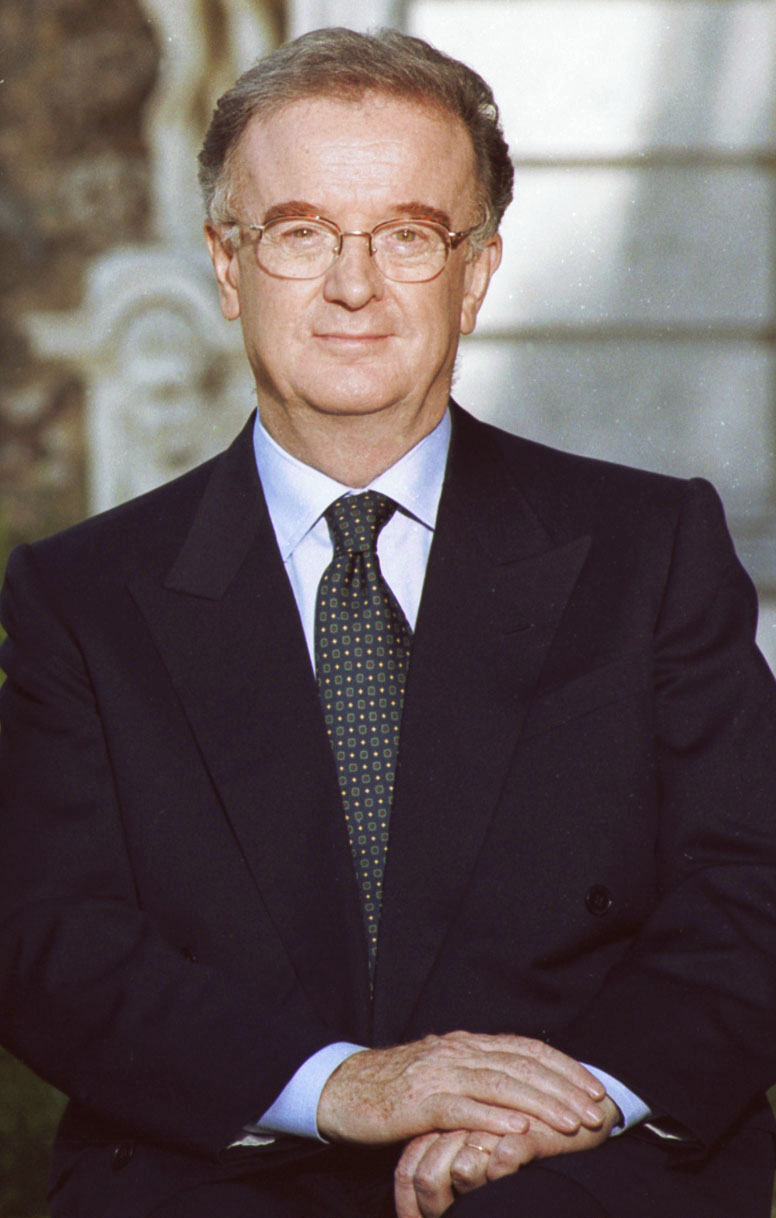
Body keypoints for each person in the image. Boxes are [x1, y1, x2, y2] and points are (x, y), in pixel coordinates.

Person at [1, 26, 775, 1218]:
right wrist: (339, 1086)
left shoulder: (648, 550)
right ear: (225, 265)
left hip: (583, 1172)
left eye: (408, 235)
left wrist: (571, 1105)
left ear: (475, 272)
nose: (352, 285)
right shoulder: (82, 598)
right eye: (299, 231)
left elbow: (748, 880)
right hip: (218, 1175)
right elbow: (48, 936)